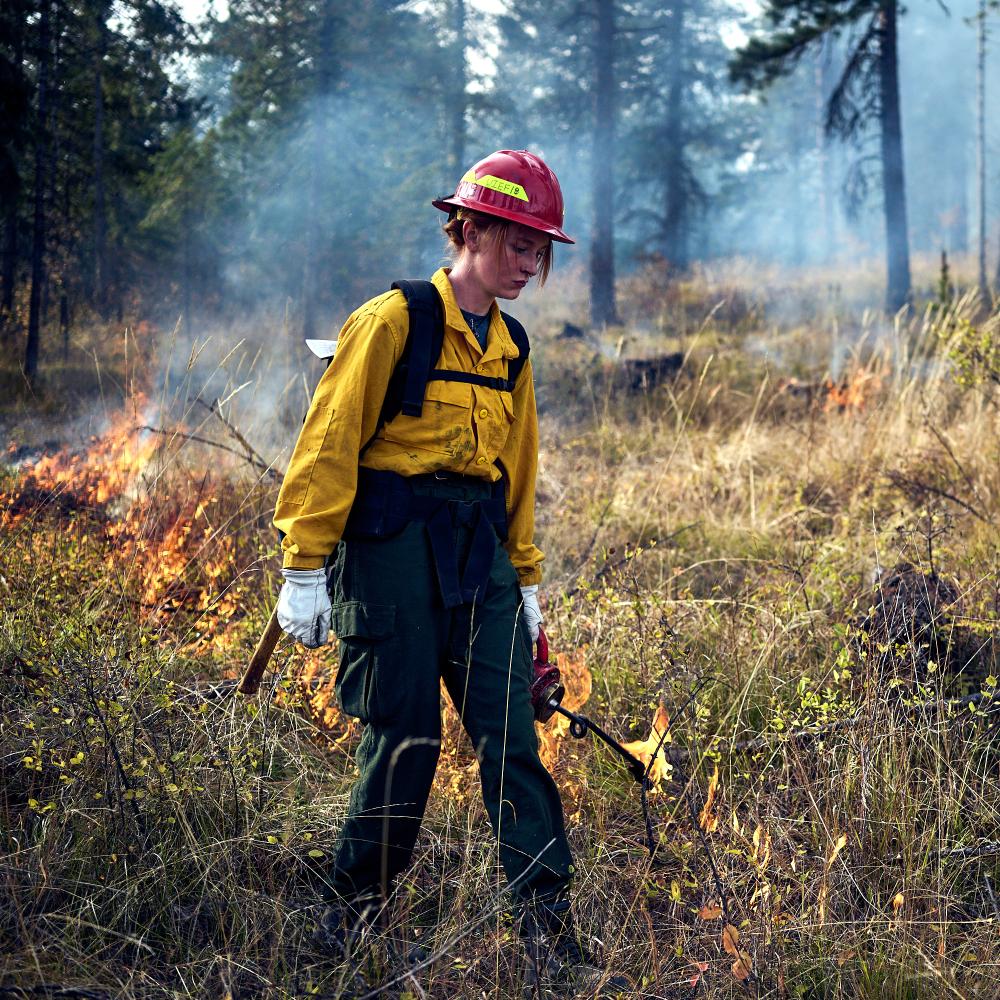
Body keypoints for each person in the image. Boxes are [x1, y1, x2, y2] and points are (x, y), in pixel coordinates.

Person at [272, 150, 627, 997]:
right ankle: (351, 914)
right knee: (406, 739)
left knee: (512, 740)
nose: (532, 263)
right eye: (519, 243)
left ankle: (547, 929)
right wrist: (304, 567)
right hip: (390, 550)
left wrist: (528, 584)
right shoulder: (395, 321)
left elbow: (519, 470)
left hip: (479, 557)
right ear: (469, 228)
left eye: (542, 249)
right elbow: (327, 445)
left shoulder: (512, 347)